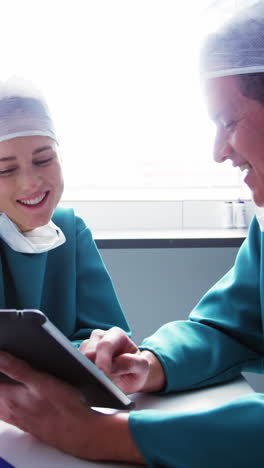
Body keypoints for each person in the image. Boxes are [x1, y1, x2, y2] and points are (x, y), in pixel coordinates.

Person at [1, 1, 264, 466]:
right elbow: (231, 327)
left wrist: (101, 436)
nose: (218, 151)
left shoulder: (69, 231)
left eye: (228, 121)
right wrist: (149, 364)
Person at [0, 78, 130, 346]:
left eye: (44, 159)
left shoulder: (70, 229)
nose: (31, 182)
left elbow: (107, 335)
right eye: (5, 170)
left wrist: (105, 348)